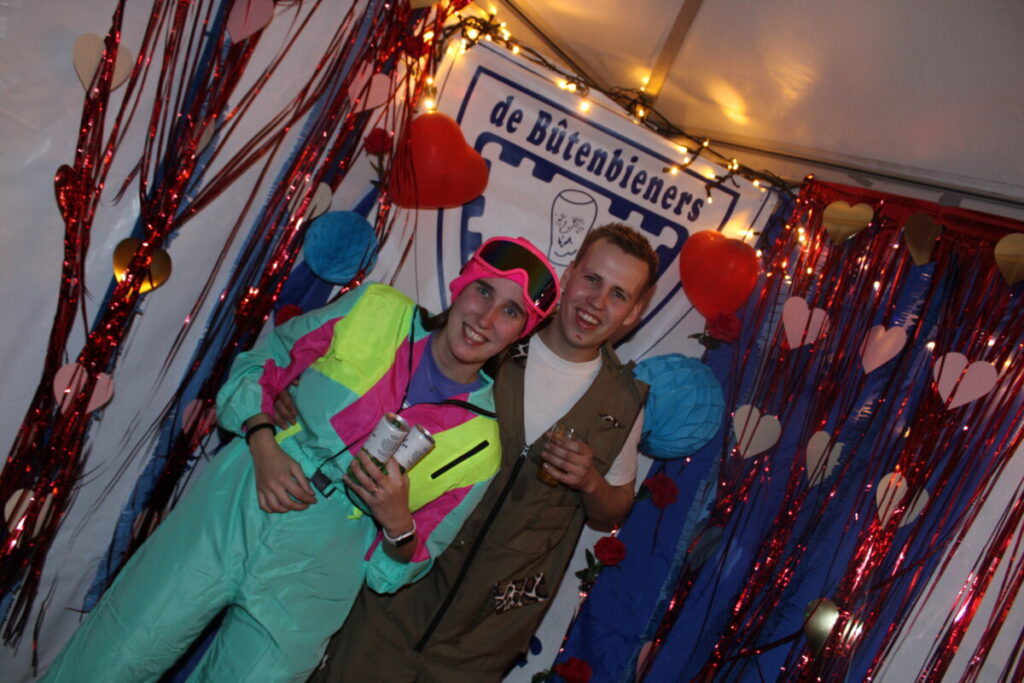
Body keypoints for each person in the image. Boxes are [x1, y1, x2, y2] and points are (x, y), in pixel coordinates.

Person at [42, 236, 561, 683]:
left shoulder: (482, 446)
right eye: (484, 291)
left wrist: (397, 523)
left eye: (511, 311)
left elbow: (405, 564)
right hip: (243, 498)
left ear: (523, 331)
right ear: (461, 285)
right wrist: (263, 441)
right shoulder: (376, 309)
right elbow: (260, 366)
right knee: (117, 654)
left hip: (320, 569)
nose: (486, 318)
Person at [311, 223, 659, 682]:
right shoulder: (490, 336)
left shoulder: (623, 402)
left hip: (484, 636)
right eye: (592, 279)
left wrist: (590, 482)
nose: (596, 302)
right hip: (396, 591)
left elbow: (614, 508)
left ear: (634, 312)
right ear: (568, 274)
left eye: (618, 294)